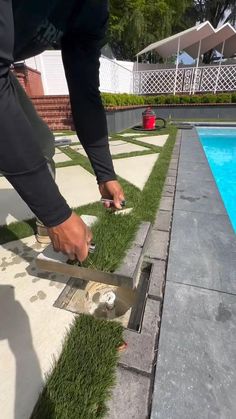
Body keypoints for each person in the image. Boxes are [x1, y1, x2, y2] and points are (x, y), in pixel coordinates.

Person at [0, 0, 125, 262]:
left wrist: (105, 174)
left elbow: (86, 94)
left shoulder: (92, 12)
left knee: (40, 143)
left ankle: (48, 224)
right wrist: (57, 213)